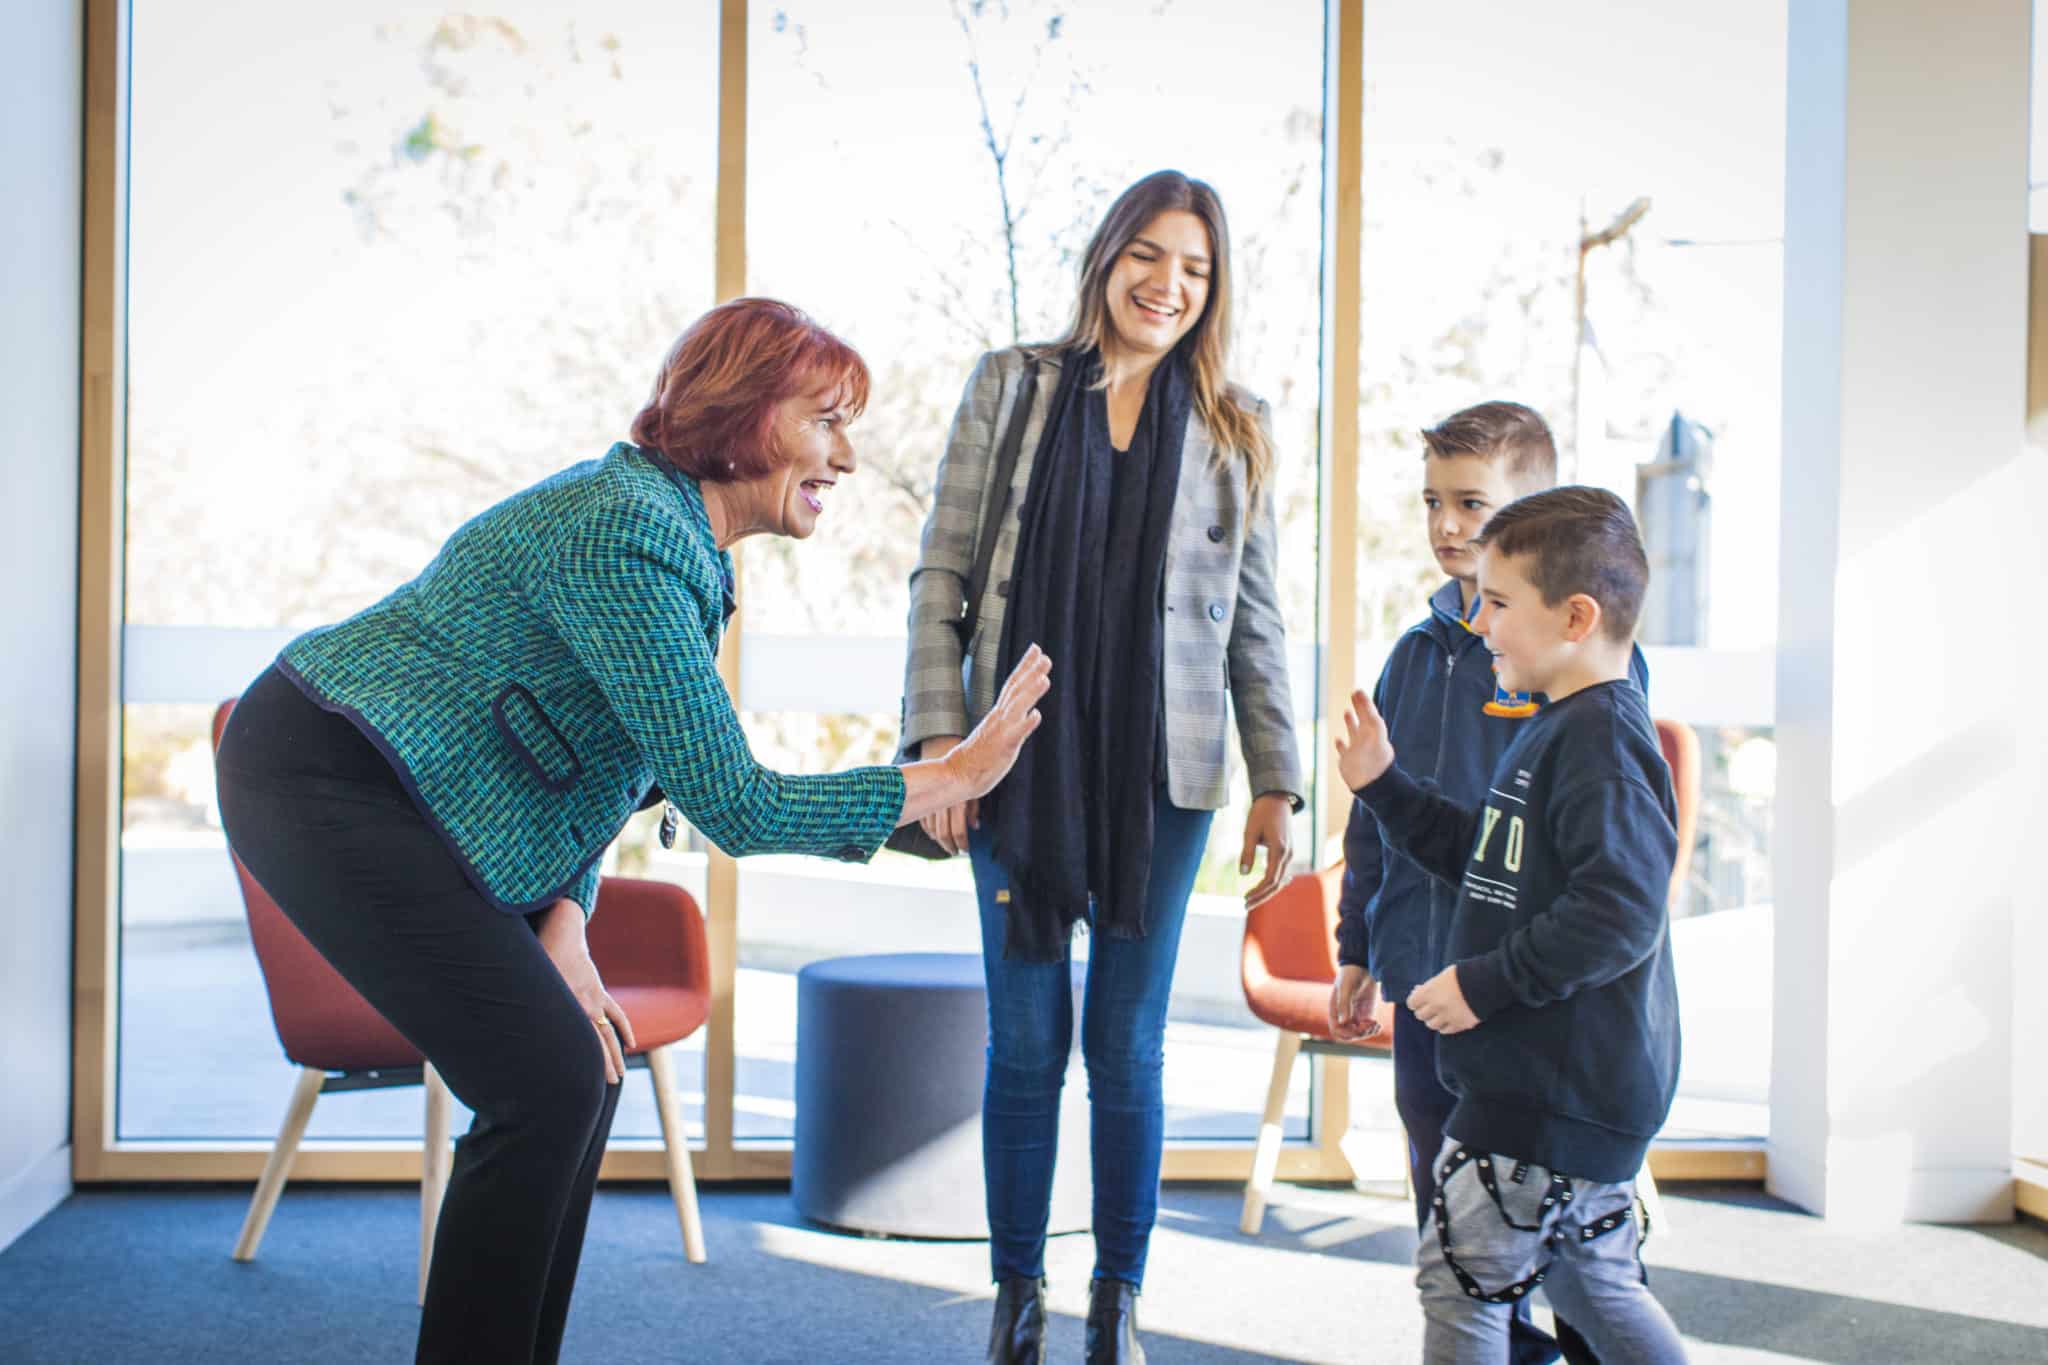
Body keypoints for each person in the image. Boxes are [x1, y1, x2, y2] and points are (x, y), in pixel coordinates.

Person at [213, 298, 1052, 1365]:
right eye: (825, 421)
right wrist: (946, 776)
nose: (844, 455)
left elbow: (606, 756)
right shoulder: (629, 532)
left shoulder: (675, 541)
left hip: (411, 802)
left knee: (581, 1071)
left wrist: (565, 917)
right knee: (542, 1081)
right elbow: (735, 804)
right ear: (747, 416)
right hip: (326, 773)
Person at [900, 169, 1304, 1365]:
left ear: (1212, 287)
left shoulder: (1239, 425)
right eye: (1147, 254)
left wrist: (1277, 777)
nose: (1165, 285)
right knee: (1024, 1043)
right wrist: (936, 747)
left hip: (1161, 779)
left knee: (1125, 1046)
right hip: (1013, 765)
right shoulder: (1012, 386)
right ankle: (1014, 1297)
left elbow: (1256, 617)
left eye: (1193, 267)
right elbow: (943, 574)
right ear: (1105, 258)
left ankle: (1116, 1299)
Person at [1335, 486, 1687, 1365]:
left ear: (1575, 616)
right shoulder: (1559, 726)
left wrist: (1482, 984)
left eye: (1498, 603)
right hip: (1551, 1093)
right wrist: (1384, 782)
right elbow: (1486, 855)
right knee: (1589, 1282)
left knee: (1460, 1278)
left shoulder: (1602, 743)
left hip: (1547, 1095)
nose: (1479, 623)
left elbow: (1621, 912)